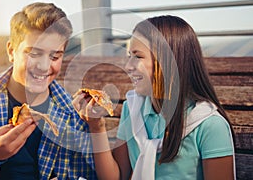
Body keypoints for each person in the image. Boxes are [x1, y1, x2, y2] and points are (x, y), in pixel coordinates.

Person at [73, 15, 235, 179]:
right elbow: (118, 177)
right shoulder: (133, 108)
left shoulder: (210, 125)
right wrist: (97, 127)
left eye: (138, 56)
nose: (128, 66)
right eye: (129, 56)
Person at [0, 2, 97, 179]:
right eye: (34, 53)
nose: (44, 66)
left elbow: (84, 175)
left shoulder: (73, 114)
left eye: (55, 56)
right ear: (12, 51)